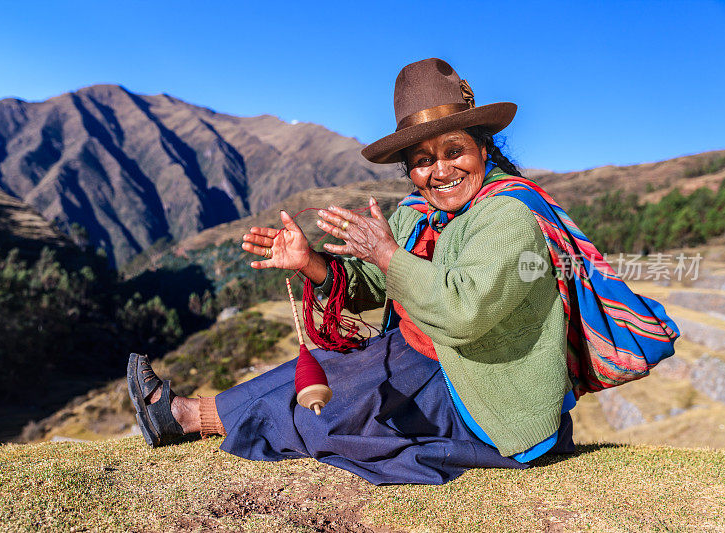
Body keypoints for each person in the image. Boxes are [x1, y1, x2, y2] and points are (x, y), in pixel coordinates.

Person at [127, 58, 677, 485]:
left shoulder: (507, 215)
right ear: (409, 168)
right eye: (421, 159)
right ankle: (185, 415)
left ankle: (184, 416)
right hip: (427, 363)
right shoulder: (418, 216)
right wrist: (314, 263)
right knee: (323, 371)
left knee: (340, 405)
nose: (439, 170)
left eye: (454, 150)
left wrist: (388, 255)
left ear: (483, 148)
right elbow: (375, 285)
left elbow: (462, 313)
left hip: (487, 398)